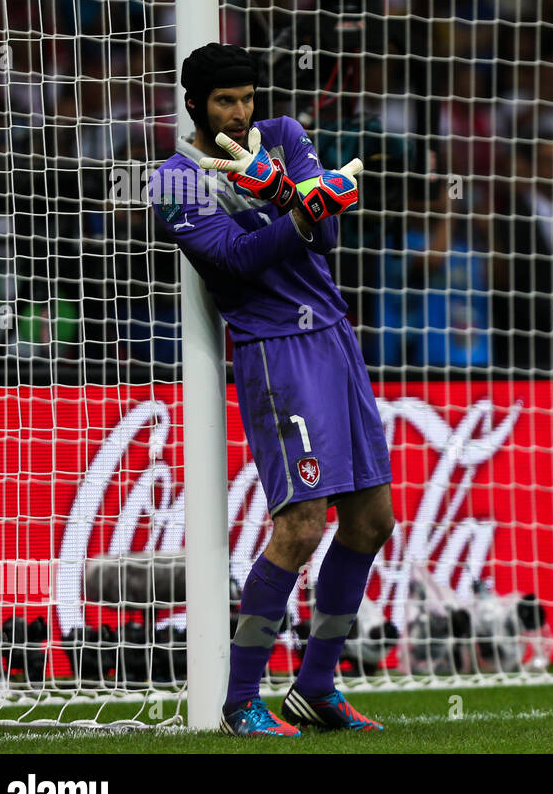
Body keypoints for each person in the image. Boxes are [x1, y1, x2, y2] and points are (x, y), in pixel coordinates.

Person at [148, 43, 393, 736]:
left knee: (374, 520)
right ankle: (238, 701)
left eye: (247, 98)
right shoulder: (174, 181)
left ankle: (316, 687)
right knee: (301, 525)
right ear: (194, 103)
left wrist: (297, 196)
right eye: (225, 101)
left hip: (336, 337)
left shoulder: (283, 135)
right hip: (275, 351)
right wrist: (293, 206)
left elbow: (328, 236)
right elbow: (230, 260)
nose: (240, 111)